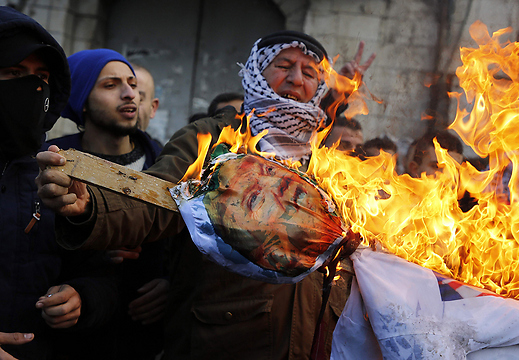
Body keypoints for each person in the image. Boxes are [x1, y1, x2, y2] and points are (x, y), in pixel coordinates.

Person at [37, 30, 370, 359]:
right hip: (224, 337)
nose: (296, 79)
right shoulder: (214, 139)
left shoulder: (332, 159)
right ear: (257, 71)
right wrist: (90, 208)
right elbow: (157, 202)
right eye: (284, 65)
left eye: (309, 72)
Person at [0, 6, 118, 359]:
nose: (34, 87)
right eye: (14, 72)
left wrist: (81, 298)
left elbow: (101, 274)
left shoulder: (59, 169)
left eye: (43, 76)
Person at [47, 49, 167, 359]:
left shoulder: (166, 163)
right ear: (82, 101)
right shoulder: (54, 162)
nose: (131, 94)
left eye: (131, 83)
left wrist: (172, 284)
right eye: (110, 85)